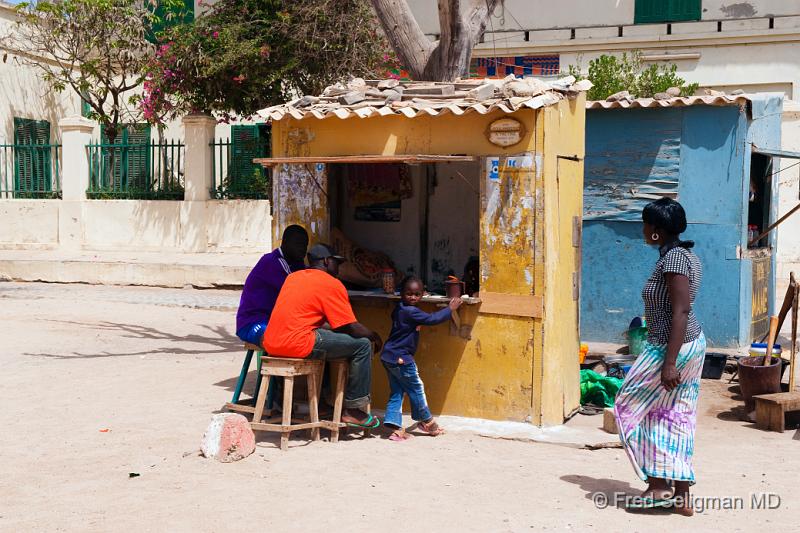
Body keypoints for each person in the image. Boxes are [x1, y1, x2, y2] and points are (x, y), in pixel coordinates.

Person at [613, 198, 705, 516]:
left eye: (646, 225)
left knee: (628, 406)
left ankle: (657, 486)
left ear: (657, 230)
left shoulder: (675, 260)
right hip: (688, 343)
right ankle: (680, 494)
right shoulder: (685, 255)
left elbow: (680, 311)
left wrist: (668, 362)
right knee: (673, 413)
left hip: (669, 347)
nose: (643, 229)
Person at [263, 243, 383, 429]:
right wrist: (373, 335)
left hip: (271, 342)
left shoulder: (293, 278)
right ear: (327, 261)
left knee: (332, 338)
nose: (339, 269)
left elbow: (319, 321)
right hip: (297, 343)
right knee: (363, 345)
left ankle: (318, 400)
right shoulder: (331, 283)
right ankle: (353, 410)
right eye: (337, 263)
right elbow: (350, 326)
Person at [381, 276, 462, 441]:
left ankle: (394, 425)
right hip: (402, 359)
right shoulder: (412, 311)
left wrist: (413, 326)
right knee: (416, 389)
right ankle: (428, 422)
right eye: (409, 293)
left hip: (389, 356)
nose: (412, 297)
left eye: (416, 294)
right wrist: (450, 309)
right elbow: (432, 319)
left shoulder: (400, 308)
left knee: (397, 391)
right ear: (401, 293)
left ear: (423, 294)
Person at [235, 225, 309, 347]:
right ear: (285, 243)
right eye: (298, 244)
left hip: (274, 321)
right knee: (275, 339)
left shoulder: (297, 263)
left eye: (305, 245)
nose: (303, 249)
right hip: (252, 322)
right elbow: (299, 291)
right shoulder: (272, 262)